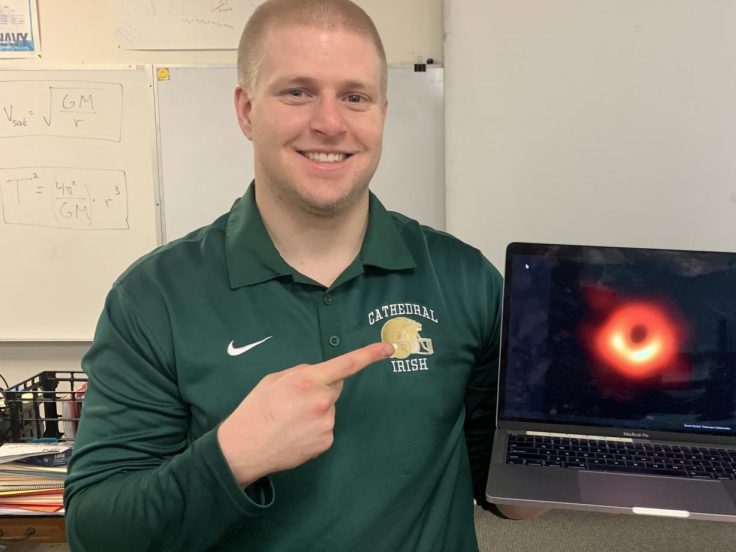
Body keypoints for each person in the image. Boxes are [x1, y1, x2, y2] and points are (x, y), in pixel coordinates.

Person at [63, 1, 541, 550]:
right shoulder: (153, 297)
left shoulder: (464, 279)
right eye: (297, 92)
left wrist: (559, 453)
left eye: (354, 97)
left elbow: (504, 488)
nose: (330, 123)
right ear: (245, 110)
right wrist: (233, 457)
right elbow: (96, 532)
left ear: (382, 112)